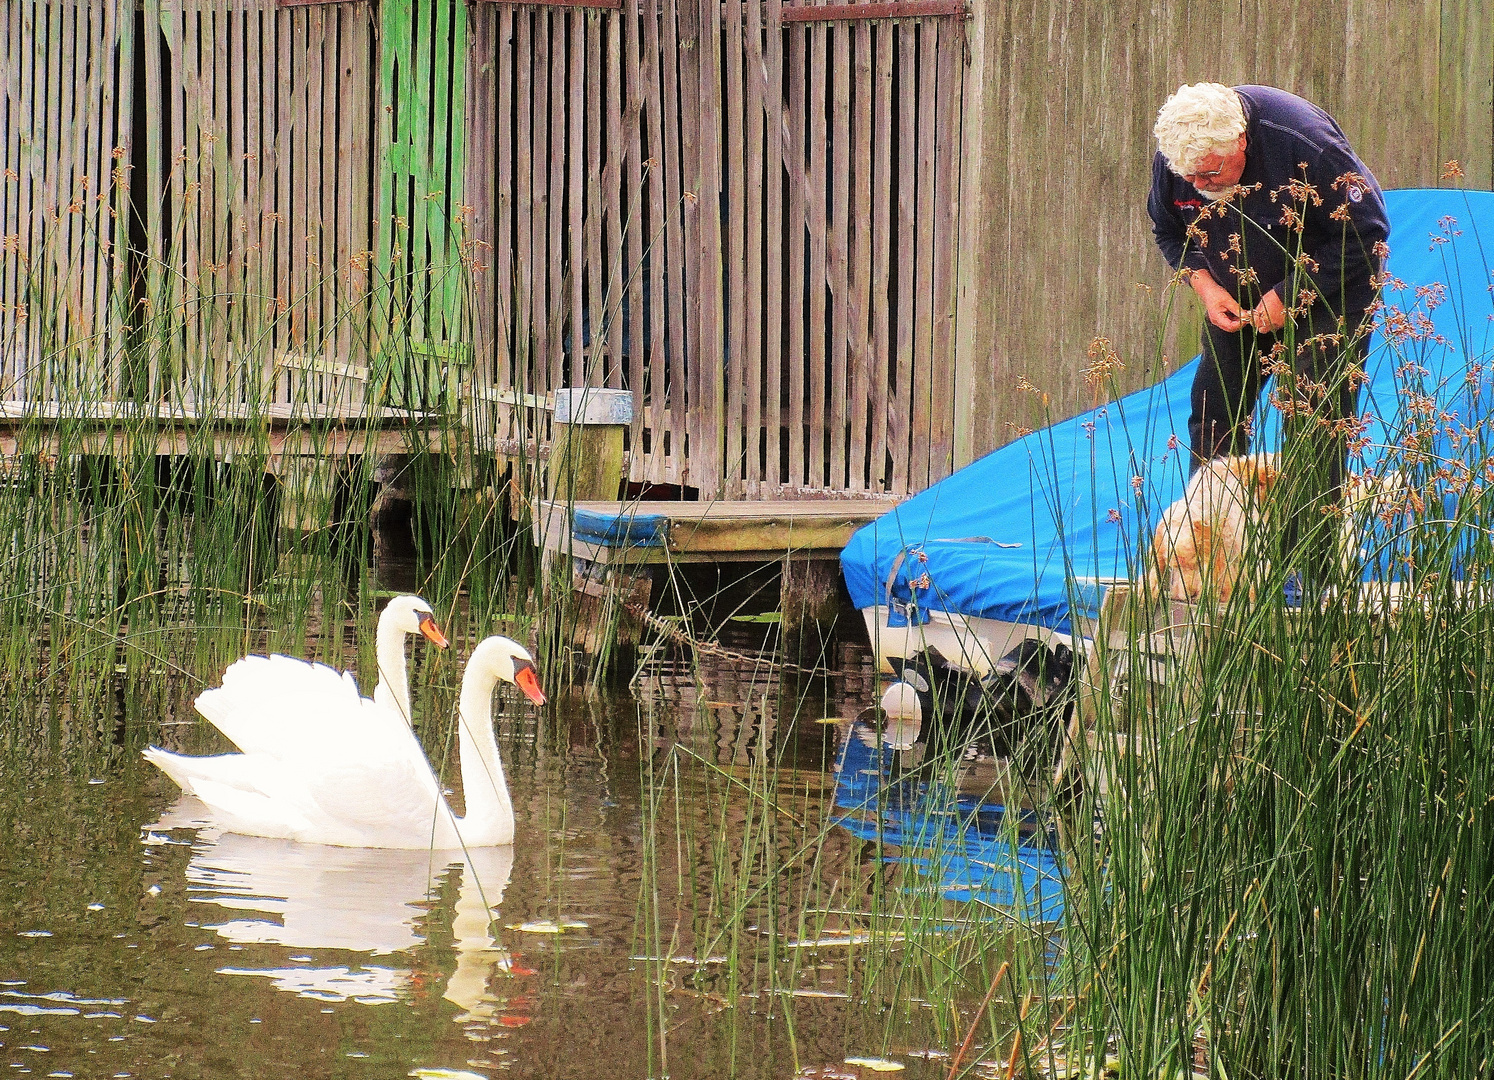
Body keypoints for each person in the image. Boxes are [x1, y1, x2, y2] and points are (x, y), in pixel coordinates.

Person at [1146, 82, 1390, 589]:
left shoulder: (1303, 141)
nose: (1198, 184)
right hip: (1235, 295)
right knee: (1213, 411)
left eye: (1210, 173)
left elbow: (1368, 232)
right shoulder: (1184, 153)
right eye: (1188, 176)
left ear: (1242, 141)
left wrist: (1287, 295)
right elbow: (1168, 230)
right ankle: (1220, 558)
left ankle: (1318, 576)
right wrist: (1206, 286)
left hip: (1329, 294)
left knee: (1312, 425)